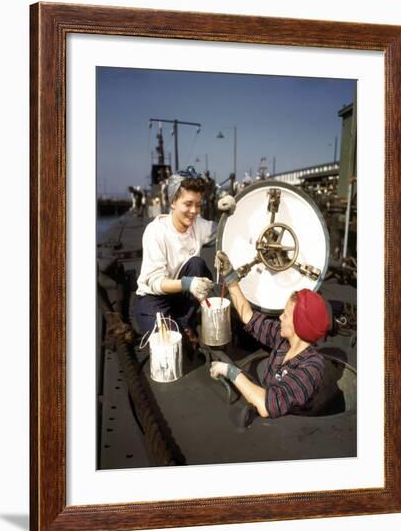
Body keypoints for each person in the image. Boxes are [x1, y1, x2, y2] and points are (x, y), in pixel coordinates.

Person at [210, 250, 331, 424]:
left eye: (286, 315)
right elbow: (248, 316)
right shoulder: (283, 340)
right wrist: (230, 279)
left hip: (289, 431)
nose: (280, 317)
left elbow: (269, 405)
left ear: (299, 326)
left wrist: (230, 371)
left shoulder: (312, 367)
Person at [134, 173, 235, 349]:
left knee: (197, 263)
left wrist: (230, 212)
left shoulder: (198, 224)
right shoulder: (155, 232)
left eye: (198, 204)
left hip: (180, 295)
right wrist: (189, 283)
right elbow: (156, 283)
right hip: (153, 298)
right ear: (173, 202)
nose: (194, 211)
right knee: (170, 343)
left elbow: (226, 231)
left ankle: (184, 320)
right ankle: (177, 324)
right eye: (188, 204)